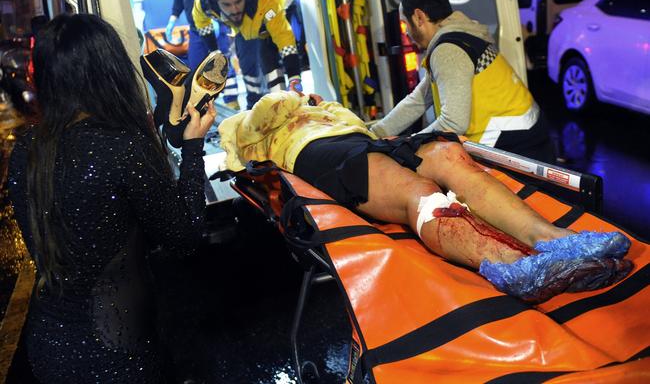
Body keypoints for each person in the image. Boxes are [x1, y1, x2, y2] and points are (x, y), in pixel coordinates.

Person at [219, 90, 632, 303]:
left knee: (448, 155)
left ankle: (553, 241)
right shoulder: (255, 122)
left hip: (361, 140)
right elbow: (259, 121)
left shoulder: (324, 108)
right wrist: (293, 101)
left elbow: (370, 129)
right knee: (420, 192)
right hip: (320, 154)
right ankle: (514, 267)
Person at [7, 13, 217, 382]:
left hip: (48, 346)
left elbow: (87, 229)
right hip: (117, 352)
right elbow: (185, 235)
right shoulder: (122, 147)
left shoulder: (27, 150)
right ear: (110, 69)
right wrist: (194, 146)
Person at [370, 0, 555, 163]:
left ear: (419, 17)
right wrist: (374, 133)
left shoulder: (448, 51)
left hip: (514, 146)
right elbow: (418, 100)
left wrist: (407, 147)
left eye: (405, 24)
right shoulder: (459, 37)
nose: (407, 33)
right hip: (526, 136)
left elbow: (453, 123)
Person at [192, 0, 303, 110]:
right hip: (246, 21)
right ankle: (254, 104)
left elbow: (284, 39)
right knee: (246, 60)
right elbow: (201, 23)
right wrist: (214, 51)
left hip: (279, 4)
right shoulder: (203, 3)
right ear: (216, 3)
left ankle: (280, 103)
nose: (234, 9)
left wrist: (295, 77)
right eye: (227, 5)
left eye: (238, 1)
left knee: (266, 55)